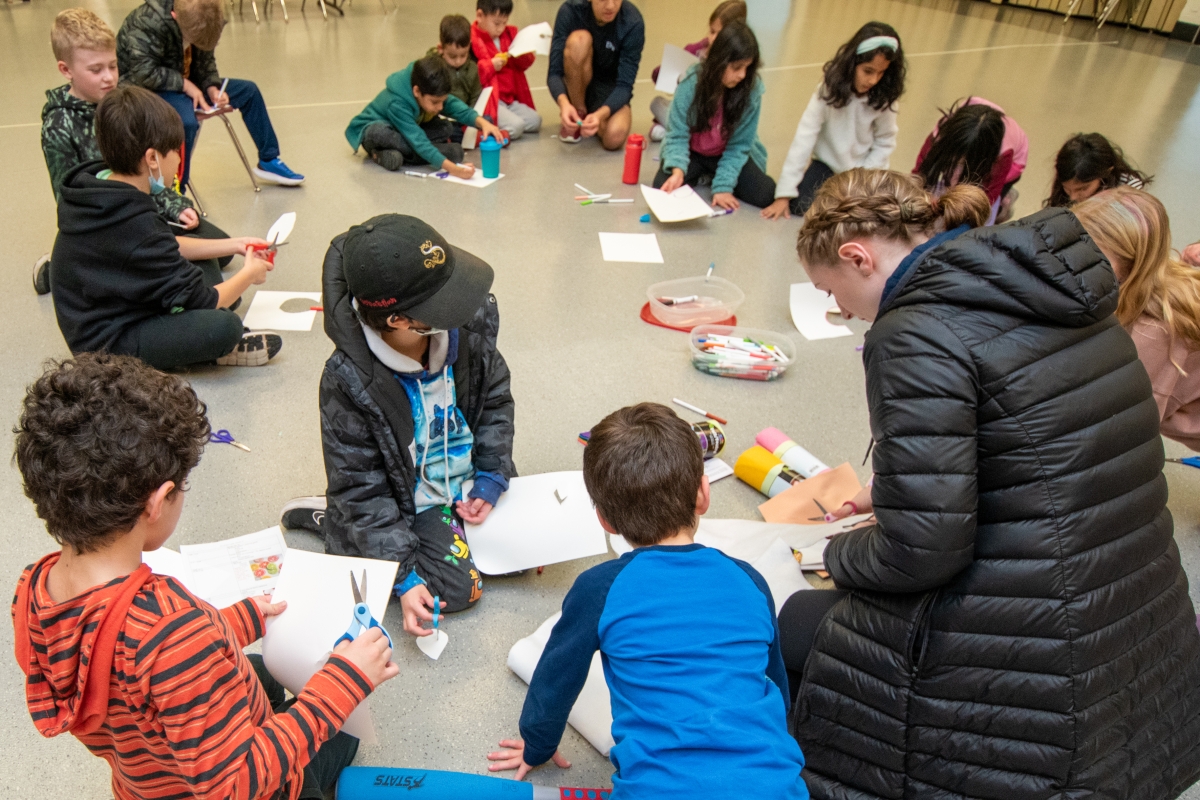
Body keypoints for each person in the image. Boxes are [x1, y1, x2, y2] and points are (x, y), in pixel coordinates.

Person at [780, 168, 1200, 800]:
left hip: (1043, 669)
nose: (837, 308)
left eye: (830, 289)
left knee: (797, 623)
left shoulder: (912, 332)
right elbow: (1035, 447)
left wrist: (840, 554)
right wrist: (904, 485)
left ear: (857, 257)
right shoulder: (1056, 286)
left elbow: (920, 551)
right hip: (1140, 637)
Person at [11, 352, 398, 800]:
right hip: (247, 785)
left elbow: (132, 659)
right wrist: (344, 683)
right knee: (343, 726)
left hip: (146, 774)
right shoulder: (173, 634)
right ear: (159, 501)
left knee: (259, 671)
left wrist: (239, 619)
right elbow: (234, 785)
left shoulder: (33, 585)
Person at [485, 402, 807, 798]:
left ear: (604, 519)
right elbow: (773, 684)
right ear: (703, 494)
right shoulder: (749, 580)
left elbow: (556, 679)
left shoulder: (601, 588)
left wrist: (538, 743)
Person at [280, 215, 515, 640]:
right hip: (408, 502)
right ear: (400, 321)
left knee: (523, 550)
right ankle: (335, 524)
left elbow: (495, 402)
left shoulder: (468, 329)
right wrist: (403, 577)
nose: (464, 306)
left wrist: (493, 474)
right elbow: (360, 486)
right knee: (460, 590)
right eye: (446, 300)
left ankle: (387, 536)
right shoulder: (349, 381)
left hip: (462, 485)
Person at [51, 85, 282, 369]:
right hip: (108, 344)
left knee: (208, 259)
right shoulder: (133, 222)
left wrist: (236, 244)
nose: (178, 157)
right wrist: (249, 274)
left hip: (117, 299)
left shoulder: (103, 183)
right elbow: (205, 299)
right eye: (175, 150)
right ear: (151, 158)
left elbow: (164, 244)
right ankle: (216, 351)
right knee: (225, 326)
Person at [37, 8, 232, 297]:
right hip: (112, 228)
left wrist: (177, 206)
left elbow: (152, 169)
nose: (108, 78)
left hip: (147, 215)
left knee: (222, 249)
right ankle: (58, 269)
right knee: (206, 278)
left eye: (113, 66)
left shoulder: (125, 101)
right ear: (66, 70)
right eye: (95, 70)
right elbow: (70, 202)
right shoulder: (58, 127)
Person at [117, 0, 305, 187]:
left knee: (249, 91)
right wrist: (186, 85)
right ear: (175, 17)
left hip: (188, 85)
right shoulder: (147, 21)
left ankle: (268, 160)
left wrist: (211, 87)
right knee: (186, 122)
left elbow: (205, 61)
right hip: (149, 90)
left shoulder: (206, 17)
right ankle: (177, 189)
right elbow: (142, 72)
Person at [1075, 187, 1200, 451]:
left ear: (1132, 268)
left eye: (1093, 262)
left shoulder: (1155, 331)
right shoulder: (1143, 280)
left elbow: (1126, 427)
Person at [762, 22, 904, 221]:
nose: (873, 80)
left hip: (863, 172)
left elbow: (885, 142)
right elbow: (805, 136)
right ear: (853, 63)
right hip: (826, 166)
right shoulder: (828, 89)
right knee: (801, 208)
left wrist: (861, 178)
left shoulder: (885, 98)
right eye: (868, 71)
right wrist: (784, 193)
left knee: (861, 217)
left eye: (881, 73)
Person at [653, 22, 774, 211]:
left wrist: (723, 187)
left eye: (747, 68)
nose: (742, 75)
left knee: (765, 194)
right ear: (720, 61)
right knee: (662, 186)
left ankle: (711, 176)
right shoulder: (691, 84)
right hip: (693, 152)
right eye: (736, 67)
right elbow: (677, 136)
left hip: (725, 154)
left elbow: (739, 146)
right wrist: (677, 170)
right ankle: (704, 174)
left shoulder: (751, 91)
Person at [345, 55, 504, 178]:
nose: (440, 107)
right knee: (380, 133)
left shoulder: (427, 86)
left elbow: (454, 106)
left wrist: (482, 123)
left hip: (408, 131)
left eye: (442, 101)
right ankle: (377, 151)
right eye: (435, 102)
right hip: (375, 132)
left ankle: (398, 156)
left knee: (448, 133)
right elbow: (418, 140)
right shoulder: (397, 103)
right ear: (416, 92)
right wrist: (453, 169)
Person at [912, 96, 1027, 224]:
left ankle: (1005, 201)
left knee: (983, 200)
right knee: (950, 183)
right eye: (954, 161)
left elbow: (988, 198)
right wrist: (922, 196)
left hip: (1012, 165)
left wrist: (966, 212)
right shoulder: (943, 131)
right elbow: (920, 169)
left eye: (962, 164)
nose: (957, 169)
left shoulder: (1002, 155)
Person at [547, 0, 645, 150]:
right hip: (576, 81)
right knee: (579, 39)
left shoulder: (632, 22)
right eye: (603, 0)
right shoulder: (570, 11)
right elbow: (554, 72)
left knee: (615, 136)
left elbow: (625, 86)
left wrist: (600, 115)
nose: (610, 6)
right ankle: (578, 112)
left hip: (608, 86)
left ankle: (590, 118)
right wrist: (564, 104)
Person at [648, 0, 746, 141]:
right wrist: (670, 74)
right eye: (712, 31)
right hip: (691, 113)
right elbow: (657, 75)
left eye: (720, 34)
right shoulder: (698, 50)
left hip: (718, 120)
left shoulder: (739, 62)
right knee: (657, 103)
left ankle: (681, 133)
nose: (713, 38)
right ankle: (683, 132)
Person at [472, 0, 543, 141]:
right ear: (480, 16)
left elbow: (523, 65)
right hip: (490, 101)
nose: (500, 29)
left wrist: (523, 50)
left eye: (504, 23)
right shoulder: (472, 40)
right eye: (497, 23)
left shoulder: (509, 35)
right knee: (516, 127)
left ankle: (498, 125)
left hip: (509, 99)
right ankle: (488, 133)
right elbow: (470, 76)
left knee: (535, 120)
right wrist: (490, 65)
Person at [1045, 132, 1149, 206]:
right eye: (1067, 189)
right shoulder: (1064, 192)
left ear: (1106, 173)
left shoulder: (1129, 192)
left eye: (1082, 188)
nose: (1073, 198)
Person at [428, 14, 482, 111]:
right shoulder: (433, 66)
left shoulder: (472, 69)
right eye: (452, 56)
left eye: (463, 55)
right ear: (440, 48)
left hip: (465, 116)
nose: (458, 61)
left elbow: (476, 96)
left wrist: (472, 116)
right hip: (440, 114)